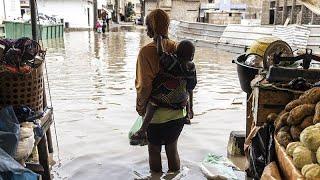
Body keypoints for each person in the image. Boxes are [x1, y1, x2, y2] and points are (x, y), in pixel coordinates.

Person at [134, 9, 194, 173]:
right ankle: (175, 176)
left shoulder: (146, 51)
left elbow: (144, 86)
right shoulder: (178, 47)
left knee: (154, 151)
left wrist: (140, 109)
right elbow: (188, 81)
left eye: (147, 26)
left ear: (152, 27)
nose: (146, 30)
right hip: (178, 114)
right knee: (172, 149)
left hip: (155, 116)